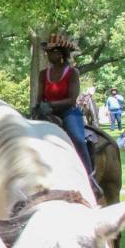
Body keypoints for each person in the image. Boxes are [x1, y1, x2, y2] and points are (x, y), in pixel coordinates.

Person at [33, 32, 96, 183]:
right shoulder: (43, 74)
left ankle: (89, 177)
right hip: (47, 113)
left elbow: (72, 99)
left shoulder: (72, 73)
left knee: (78, 138)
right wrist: (37, 107)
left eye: (52, 52)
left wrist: (51, 105)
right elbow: (40, 95)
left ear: (61, 53)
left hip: (68, 112)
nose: (48, 55)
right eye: (47, 52)